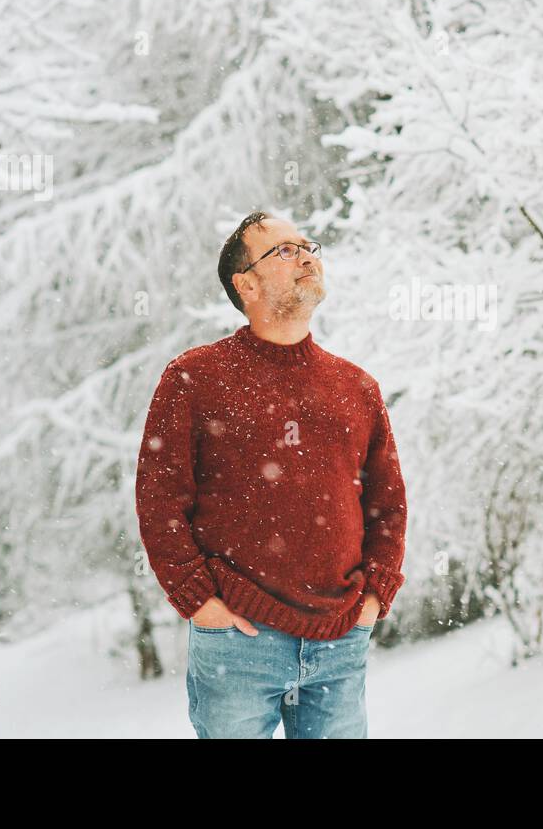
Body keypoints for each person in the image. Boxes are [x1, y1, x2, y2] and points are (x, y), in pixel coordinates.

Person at [135, 210, 408, 738]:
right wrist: (199, 600)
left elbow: (388, 504)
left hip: (339, 639)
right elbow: (160, 499)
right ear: (247, 283)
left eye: (308, 245)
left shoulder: (356, 388)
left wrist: (374, 596)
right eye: (283, 250)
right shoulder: (195, 378)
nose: (306, 255)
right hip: (238, 638)